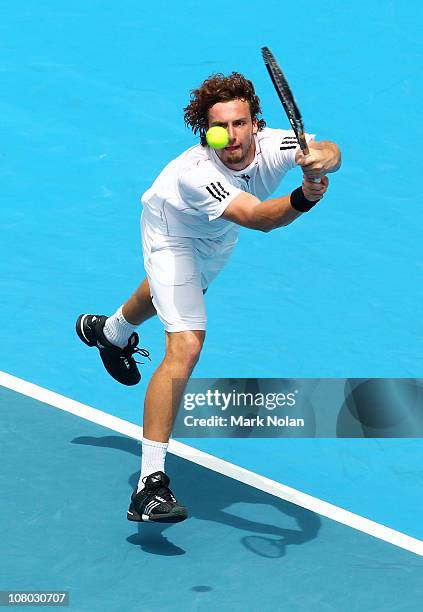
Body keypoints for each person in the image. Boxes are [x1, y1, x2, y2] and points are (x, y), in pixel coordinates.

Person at [76, 72, 341, 524]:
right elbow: (258, 218)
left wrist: (322, 159)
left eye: (240, 124)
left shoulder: (276, 143)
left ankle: (112, 331)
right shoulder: (196, 173)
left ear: (256, 123)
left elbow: (331, 151)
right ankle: (149, 486)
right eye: (221, 127)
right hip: (172, 231)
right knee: (186, 343)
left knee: (177, 294)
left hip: (217, 235)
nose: (232, 136)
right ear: (208, 130)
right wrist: (303, 197)